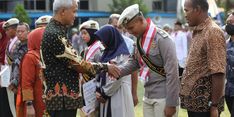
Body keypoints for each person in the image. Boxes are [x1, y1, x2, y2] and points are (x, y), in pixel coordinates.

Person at [40, 0, 120, 117]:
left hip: (62, 100)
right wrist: (106, 67)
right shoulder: (55, 34)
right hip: (62, 101)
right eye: (74, 11)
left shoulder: (56, 31)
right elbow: (79, 64)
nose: (76, 15)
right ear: (63, 11)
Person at [117, 4, 180, 117]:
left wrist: (171, 103)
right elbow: (134, 62)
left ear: (141, 20)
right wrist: (117, 70)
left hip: (163, 96)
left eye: (131, 28)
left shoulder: (162, 39)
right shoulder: (138, 40)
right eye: (127, 29)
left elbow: (172, 73)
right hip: (148, 95)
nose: (130, 32)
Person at [180, 0, 226, 117]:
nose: (185, 14)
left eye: (186, 10)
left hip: (205, 106)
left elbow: (218, 72)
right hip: (195, 105)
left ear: (198, 10)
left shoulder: (212, 32)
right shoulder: (199, 31)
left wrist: (214, 106)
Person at [95, 25, 135, 117]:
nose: (101, 42)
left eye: (103, 39)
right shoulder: (106, 53)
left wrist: (104, 93)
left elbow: (117, 77)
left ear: (110, 38)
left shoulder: (122, 55)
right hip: (106, 93)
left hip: (118, 93)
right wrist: (99, 91)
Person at [108, 13, 139, 106]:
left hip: (125, 85)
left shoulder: (130, 43)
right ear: (108, 26)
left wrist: (134, 93)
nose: (117, 30)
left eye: (120, 27)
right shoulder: (103, 42)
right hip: (106, 87)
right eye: (115, 27)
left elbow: (134, 70)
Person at [16, 27, 46, 117]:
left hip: (46, 101)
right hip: (35, 102)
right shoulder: (30, 57)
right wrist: (29, 105)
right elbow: (26, 83)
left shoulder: (45, 54)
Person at [79, 20, 103, 117]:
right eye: (81, 34)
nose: (82, 36)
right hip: (86, 90)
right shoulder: (86, 50)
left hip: (95, 90)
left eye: (85, 33)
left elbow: (101, 71)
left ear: (93, 33)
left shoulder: (99, 49)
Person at [2, 18, 21, 117]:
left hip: (16, 79)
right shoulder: (10, 42)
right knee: (12, 105)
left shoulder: (19, 42)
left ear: (14, 29)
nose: (6, 32)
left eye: (7, 29)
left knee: (16, 106)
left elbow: (15, 62)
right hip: (9, 77)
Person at [9, 22, 30, 94]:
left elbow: (22, 66)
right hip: (16, 82)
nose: (20, 33)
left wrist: (15, 81)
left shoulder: (30, 46)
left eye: (22, 31)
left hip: (25, 82)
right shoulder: (17, 45)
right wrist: (12, 80)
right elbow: (14, 64)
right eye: (18, 31)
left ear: (28, 32)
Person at [0, 21, 13, 117]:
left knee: (6, 101)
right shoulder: (3, 42)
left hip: (6, 77)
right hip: (3, 76)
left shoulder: (8, 43)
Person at [225, 11, 234, 117]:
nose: (229, 24)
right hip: (228, 90)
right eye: (228, 22)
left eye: (232, 22)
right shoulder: (226, 44)